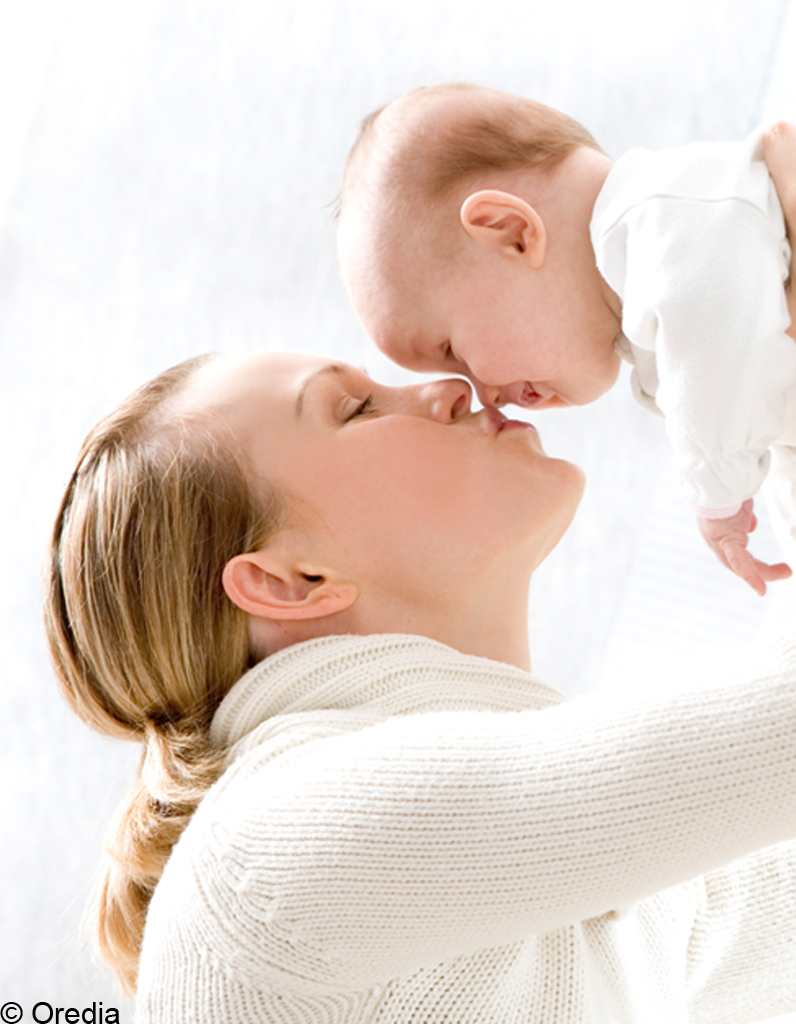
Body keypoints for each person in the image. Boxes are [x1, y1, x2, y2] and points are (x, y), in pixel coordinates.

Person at [44, 130, 796, 1024]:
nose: (447, 387)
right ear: (291, 580)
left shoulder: (635, 900)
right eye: (356, 406)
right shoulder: (263, 855)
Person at [337, 83, 796, 596]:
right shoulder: (652, 306)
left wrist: (718, 500)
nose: (483, 394)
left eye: (455, 354)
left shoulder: (665, 219)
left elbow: (720, 355)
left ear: (511, 233)